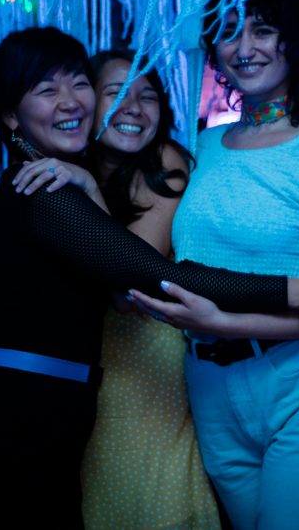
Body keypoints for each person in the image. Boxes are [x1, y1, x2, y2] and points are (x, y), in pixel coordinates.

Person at [0, 26, 299, 525]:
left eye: (77, 83)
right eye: (45, 90)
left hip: (47, 407)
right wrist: (298, 291)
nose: (69, 102)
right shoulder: (45, 188)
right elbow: (152, 276)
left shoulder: (62, 179)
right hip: (20, 410)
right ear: (11, 116)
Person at [132, 0, 299, 530]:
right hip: (211, 392)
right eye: (229, 31)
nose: (244, 47)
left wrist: (225, 321)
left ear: (294, 38)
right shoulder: (204, 144)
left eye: (262, 30)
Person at [79, 50, 221, 529]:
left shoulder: (166, 162)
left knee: (152, 497)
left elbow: (130, 276)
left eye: (148, 96)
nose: (134, 107)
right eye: (115, 93)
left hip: (145, 354)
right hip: (93, 358)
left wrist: (84, 193)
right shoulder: (80, 164)